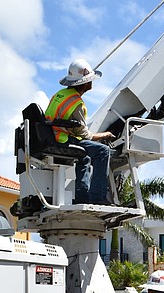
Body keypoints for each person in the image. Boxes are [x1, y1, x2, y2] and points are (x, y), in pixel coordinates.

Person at [46, 58, 116, 205]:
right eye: (90, 79)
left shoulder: (60, 94)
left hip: (51, 136)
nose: (92, 82)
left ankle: (82, 198)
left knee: (84, 157)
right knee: (102, 151)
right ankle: (98, 198)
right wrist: (106, 135)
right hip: (62, 139)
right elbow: (86, 135)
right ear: (85, 83)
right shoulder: (76, 103)